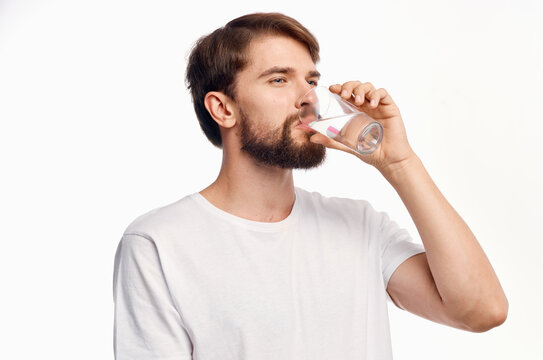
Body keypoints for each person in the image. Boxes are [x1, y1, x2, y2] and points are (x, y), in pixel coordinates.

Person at [112, 12, 508, 360]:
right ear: (223, 108)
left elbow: (481, 311)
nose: (309, 99)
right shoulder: (159, 243)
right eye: (279, 79)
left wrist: (400, 164)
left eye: (312, 80)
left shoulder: (360, 225)